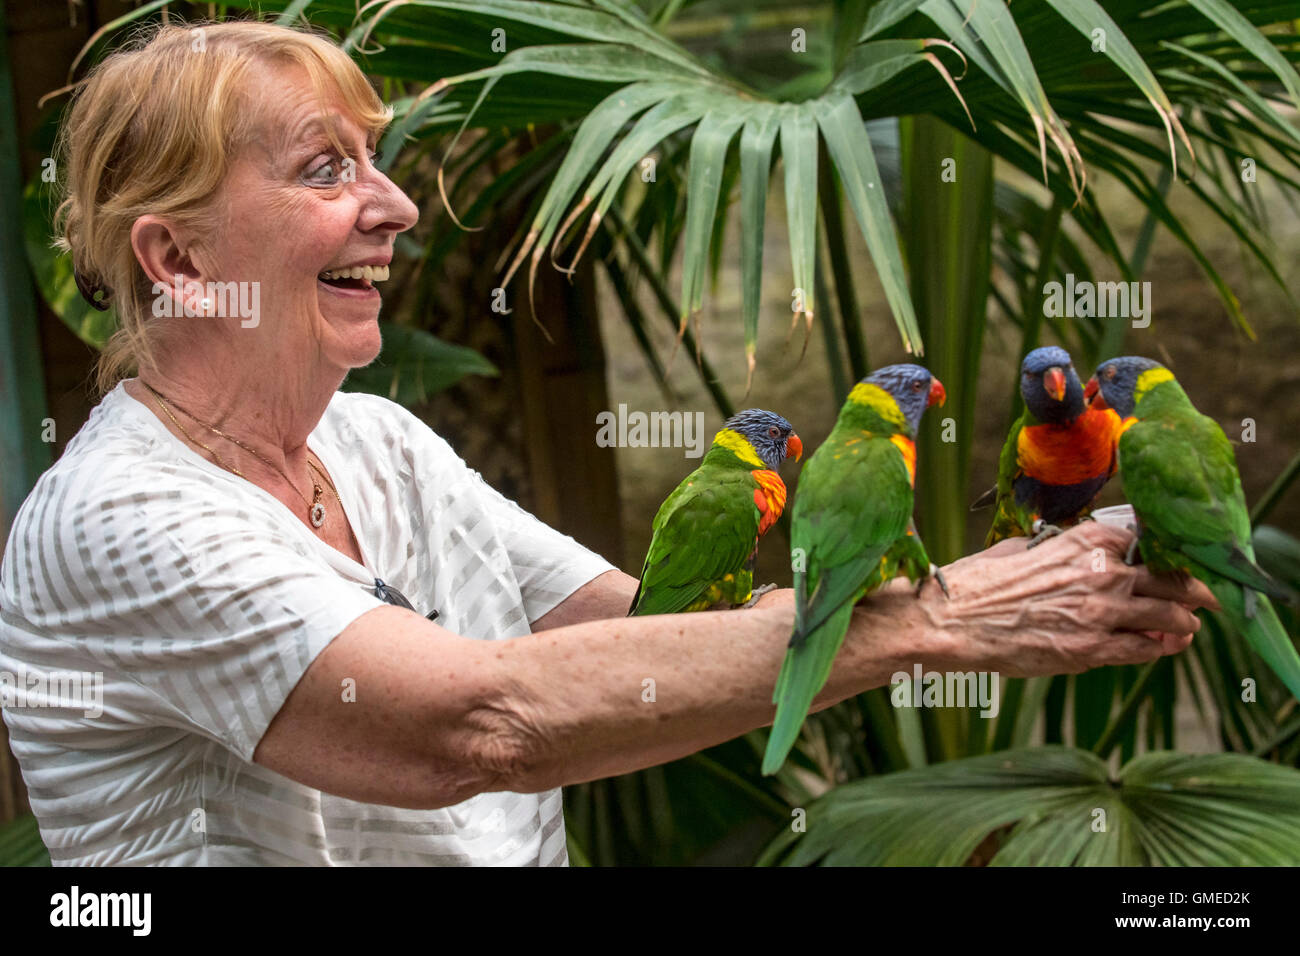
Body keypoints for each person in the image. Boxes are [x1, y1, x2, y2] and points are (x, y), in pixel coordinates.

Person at [0, 21, 1213, 866]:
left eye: (378, 160)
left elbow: (639, 645)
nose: (397, 205)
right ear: (176, 259)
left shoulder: (376, 440)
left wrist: (955, 592)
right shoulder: (115, 521)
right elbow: (478, 724)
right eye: (327, 169)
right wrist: (936, 622)